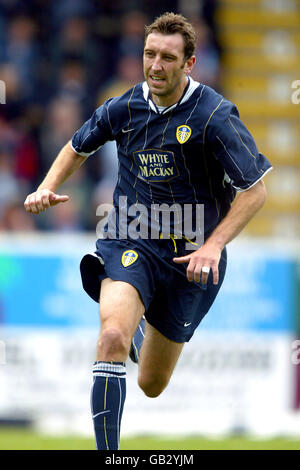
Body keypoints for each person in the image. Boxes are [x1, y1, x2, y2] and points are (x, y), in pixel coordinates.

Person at [24, 12, 272, 450]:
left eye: (167, 57)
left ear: (190, 63)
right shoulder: (124, 106)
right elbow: (76, 146)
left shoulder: (215, 115)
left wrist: (213, 246)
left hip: (192, 256)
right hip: (130, 237)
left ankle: (145, 321)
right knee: (112, 336)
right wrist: (46, 186)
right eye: (149, 54)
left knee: (151, 384)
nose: (155, 65)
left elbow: (255, 191)